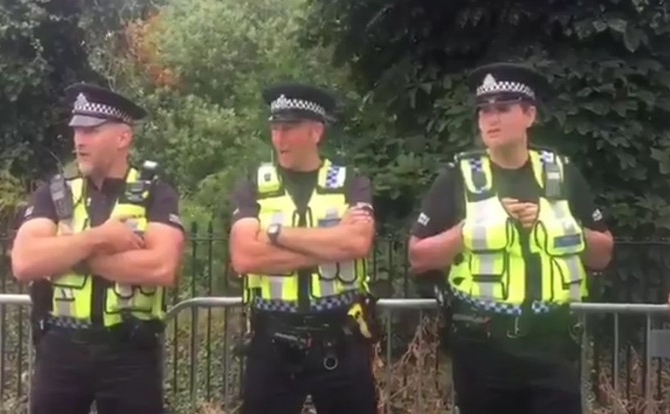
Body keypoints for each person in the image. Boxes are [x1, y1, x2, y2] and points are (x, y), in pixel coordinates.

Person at [408, 62, 614, 414]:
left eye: (503, 108)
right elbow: (417, 256)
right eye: (483, 110)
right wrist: (469, 231)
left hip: (553, 342)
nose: (491, 118)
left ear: (529, 114)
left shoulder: (561, 174)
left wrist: (564, 228)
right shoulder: (457, 177)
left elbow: (603, 253)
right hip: (482, 345)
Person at [10, 83, 185, 414]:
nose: (79, 140)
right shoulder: (55, 192)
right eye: (76, 130)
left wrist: (69, 256)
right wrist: (97, 238)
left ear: (122, 138)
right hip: (60, 350)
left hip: (129, 351)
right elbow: (24, 261)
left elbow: (162, 267)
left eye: (90, 131)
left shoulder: (156, 195)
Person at [228, 82, 380, 414]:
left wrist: (275, 233)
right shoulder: (253, 182)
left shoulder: (350, 181)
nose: (279, 139)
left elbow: (357, 242)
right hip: (271, 338)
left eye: (289, 129)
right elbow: (244, 257)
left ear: (315, 132)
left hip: (340, 336)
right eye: (275, 129)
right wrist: (329, 244)